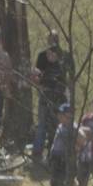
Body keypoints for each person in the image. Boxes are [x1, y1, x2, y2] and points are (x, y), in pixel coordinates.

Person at [31, 31, 70, 163]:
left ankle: (54, 153)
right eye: (51, 39)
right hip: (46, 93)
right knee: (42, 123)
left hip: (60, 95)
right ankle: (37, 153)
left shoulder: (65, 55)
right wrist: (40, 84)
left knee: (57, 124)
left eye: (55, 38)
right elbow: (37, 75)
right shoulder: (43, 55)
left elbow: (70, 76)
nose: (53, 41)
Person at [48, 103, 79, 186]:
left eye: (62, 114)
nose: (59, 116)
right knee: (54, 183)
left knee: (62, 184)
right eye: (59, 113)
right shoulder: (60, 126)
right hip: (56, 158)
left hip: (64, 160)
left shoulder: (73, 128)